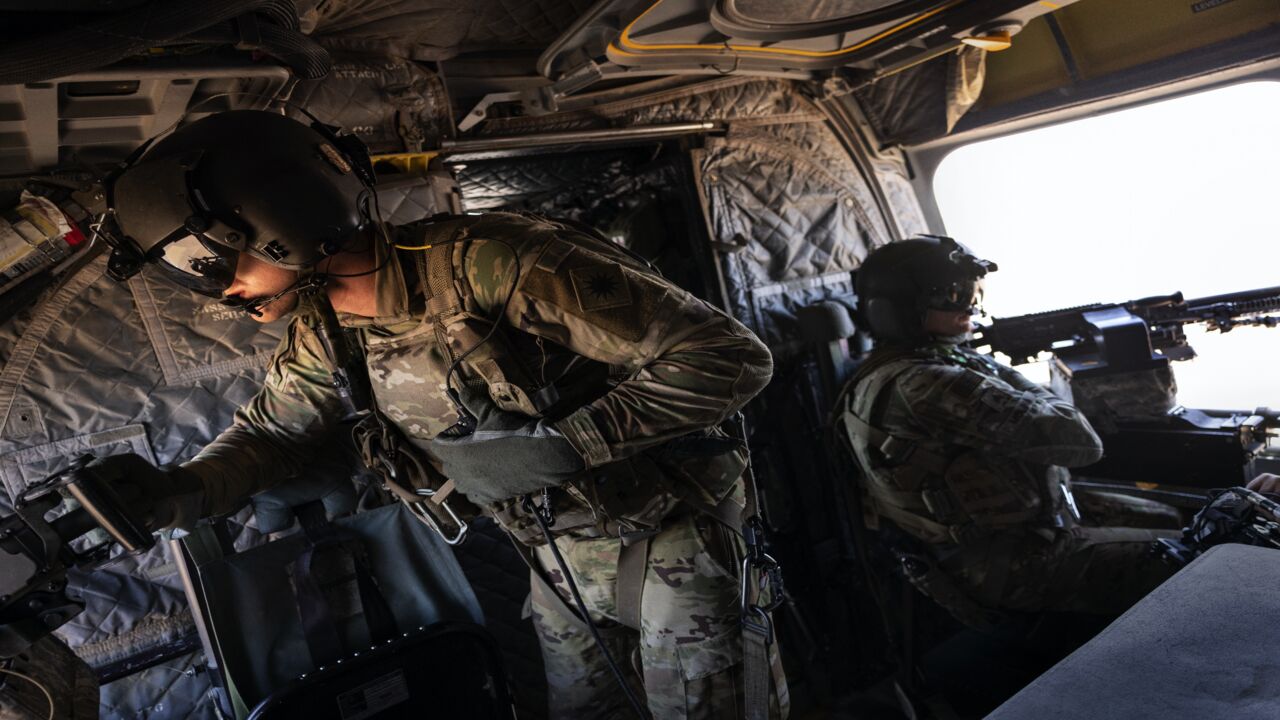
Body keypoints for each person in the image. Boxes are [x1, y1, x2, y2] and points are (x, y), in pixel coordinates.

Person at [100, 110, 788, 719]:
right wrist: (180, 490)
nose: (214, 286)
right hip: (557, 553)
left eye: (208, 258)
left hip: (672, 535)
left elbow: (726, 356)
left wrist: (572, 444)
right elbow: (274, 434)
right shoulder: (322, 329)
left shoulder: (495, 261)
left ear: (282, 218)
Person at [834, 235, 1177, 619]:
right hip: (1011, 565)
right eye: (952, 295)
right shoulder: (927, 384)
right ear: (900, 311)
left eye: (971, 291)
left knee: (1173, 519)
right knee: (1189, 554)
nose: (968, 306)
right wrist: (999, 370)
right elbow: (1078, 442)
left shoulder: (905, 366)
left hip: (1019, 532)